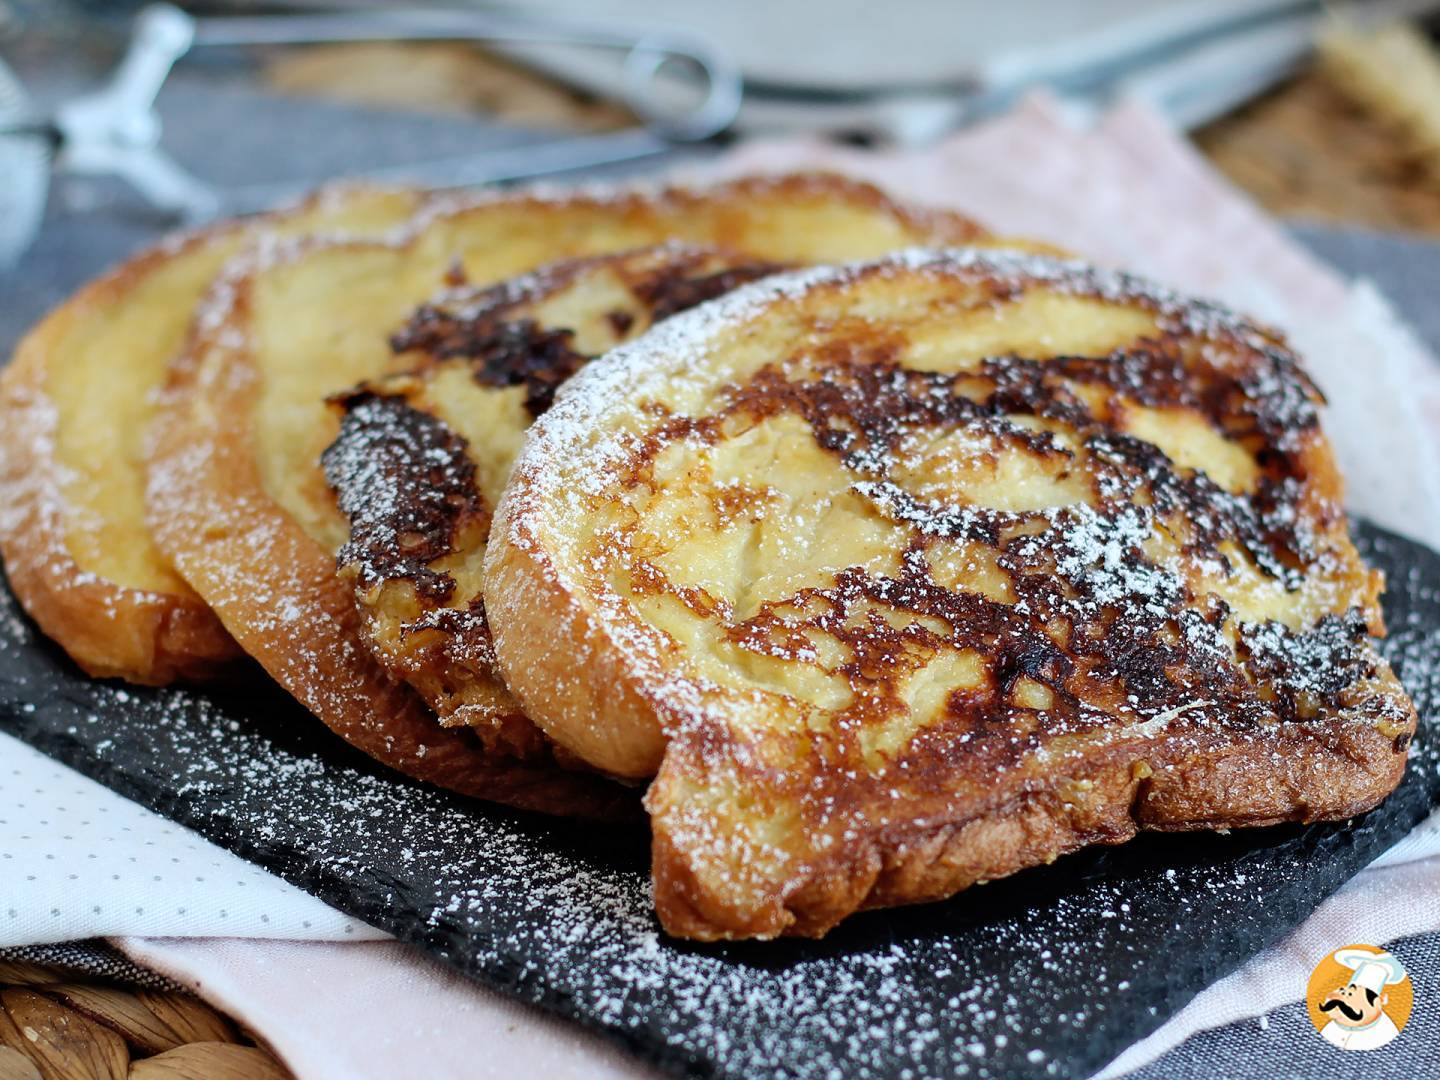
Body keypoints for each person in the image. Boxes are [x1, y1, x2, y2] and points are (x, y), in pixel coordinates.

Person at [1317, 948, 1408, 1051]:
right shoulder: (1332, 1027)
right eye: (1344, 992)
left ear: (1379, 1001)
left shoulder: (1385, 1033)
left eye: (1351, 995)